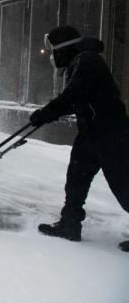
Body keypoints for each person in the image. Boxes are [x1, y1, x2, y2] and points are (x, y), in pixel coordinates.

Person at [29, 25, 129, 252]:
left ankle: (70, 223)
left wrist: (46, 113)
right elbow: (77, 99)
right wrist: (48, 114)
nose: (52, 56)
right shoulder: (79, 62)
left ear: (63, 48)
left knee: (124, 186)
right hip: (91, 133)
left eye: (53, 50)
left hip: (112, 134)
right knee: (76, 179)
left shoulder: (88, 61)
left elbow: (73, 95)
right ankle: (70, 225)